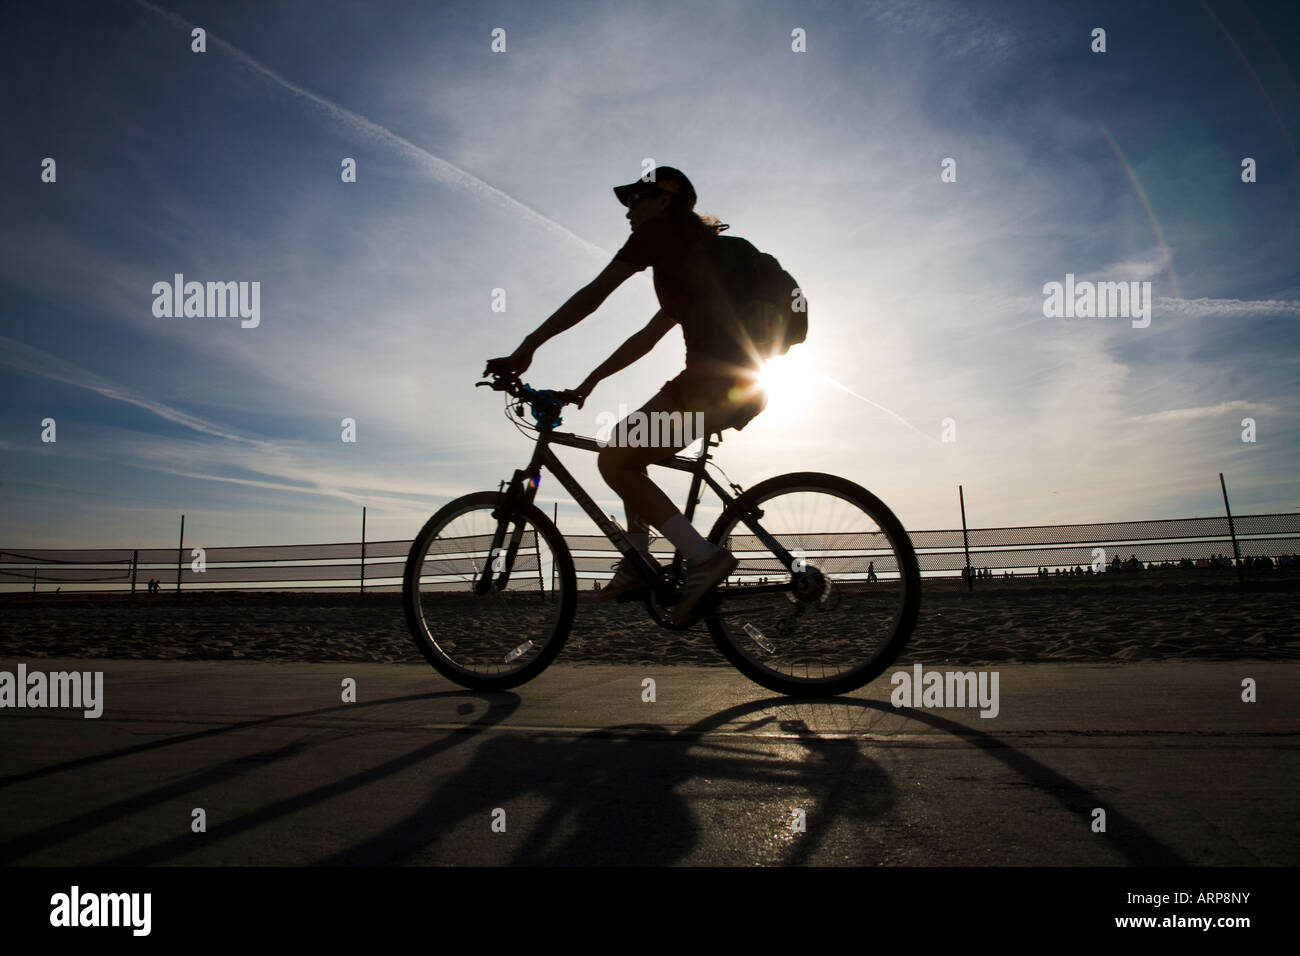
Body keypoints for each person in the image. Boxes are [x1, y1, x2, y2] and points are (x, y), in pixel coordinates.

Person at [484, 167, 768, 625]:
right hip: (746, 385)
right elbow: (646, 337)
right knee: (626, 447)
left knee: (615, 458)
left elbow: (591, 297)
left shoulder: (658, 236)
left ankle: (702, 557)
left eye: (635, 199)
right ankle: (639, 563)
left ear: (663, 201)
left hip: (711, 384)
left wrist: (526, 349)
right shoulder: (693, 257)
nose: (629, 212)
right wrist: (590, 383)